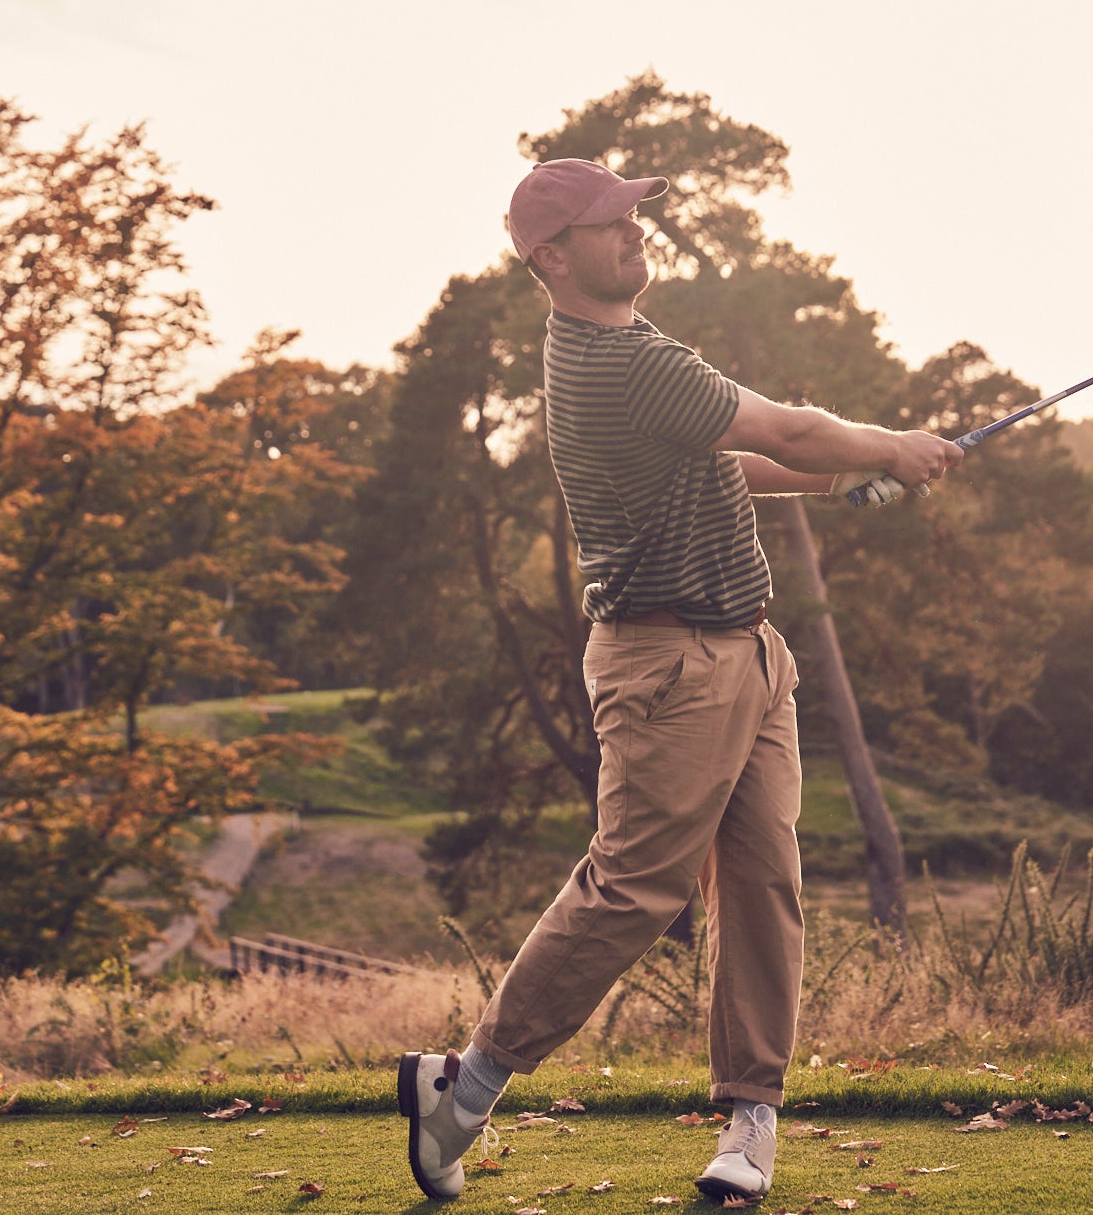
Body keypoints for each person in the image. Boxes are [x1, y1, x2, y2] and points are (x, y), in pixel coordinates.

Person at [398, 158, 962, 1205]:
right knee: (633, 886)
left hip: (749, 649)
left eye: (632, 214)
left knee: (762, 881)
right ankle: (463, 1087)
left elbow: (733, 461)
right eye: (609, 223)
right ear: (552, 256)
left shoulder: (636, 346)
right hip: (669, 666)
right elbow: (782, 427)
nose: (633, 231)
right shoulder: (611, 361)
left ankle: (751, 1120)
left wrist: (850, 475)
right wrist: (894, 444)